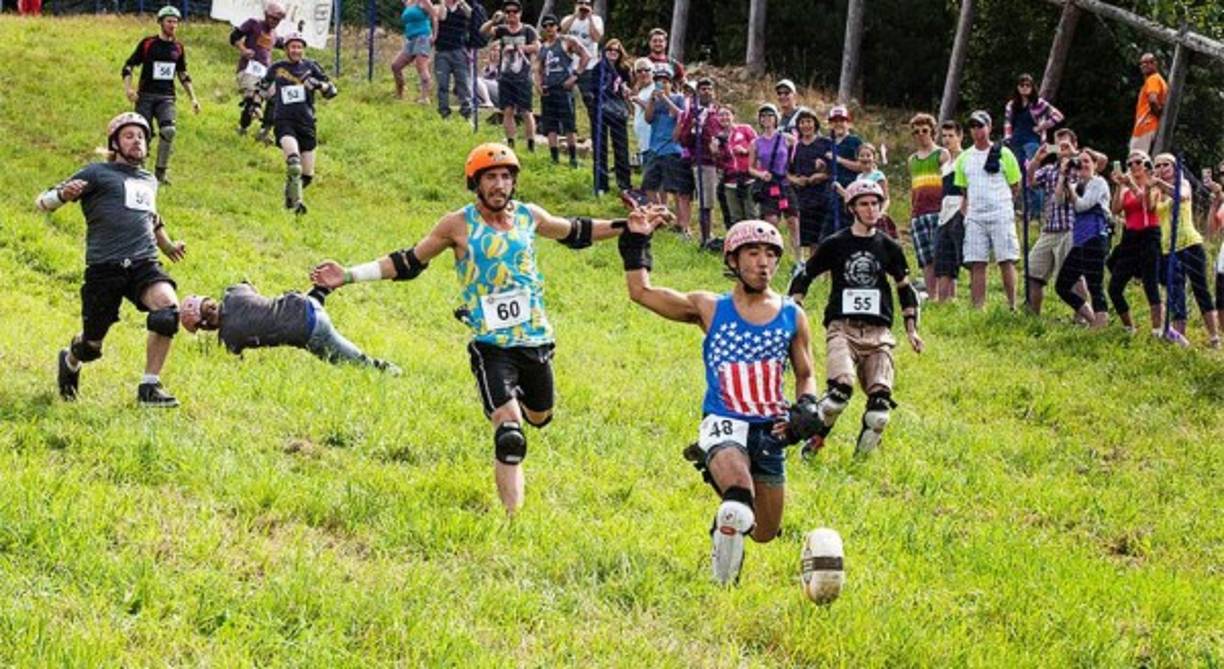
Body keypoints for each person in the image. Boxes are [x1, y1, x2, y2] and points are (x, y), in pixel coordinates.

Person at [309, 143, 670, 515]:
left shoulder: (529, 216)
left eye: (505, 177)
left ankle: (531, 415)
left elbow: (576, 230)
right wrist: (348, 275)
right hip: (491, 345)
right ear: (476, 184)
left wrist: (627, 225)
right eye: (491, 178)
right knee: (510, 432)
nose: (499, 185)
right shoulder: (458, 224)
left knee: (539, 417)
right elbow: (407, 261)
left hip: (536, 339)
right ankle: (513, 521)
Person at [620, 219, 817, 585]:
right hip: (724, 422)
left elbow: (805, 372)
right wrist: (636, 241)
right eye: (754, 253)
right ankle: (722, 582)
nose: (764, 263)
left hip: (771, 429)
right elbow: (641, 292)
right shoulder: (709, 307)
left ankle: (720, 482)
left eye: (771, 255)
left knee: (764, 531)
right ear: (733, 259)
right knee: (738, 499)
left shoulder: (793, 314)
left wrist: (807, 407)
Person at [36, 113, 187, 408]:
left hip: (143, 263)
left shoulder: (149, 180)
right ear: (115, 143)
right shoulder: (97, 173)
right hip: (105, 268)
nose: (137, 141)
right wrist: (64, 195)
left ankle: (149, 388)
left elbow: (150, 218)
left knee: (168, 311)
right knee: (91, 346)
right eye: (129, 136)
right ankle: (71, 360)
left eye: (141, 136)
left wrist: (167, 246)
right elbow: (42, 202)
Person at [787, 180, 924, 457]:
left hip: (879, 331)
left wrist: (911, 329)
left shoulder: (889, 246)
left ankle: (860, 463)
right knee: (839, 394)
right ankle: (813, 442)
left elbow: (904, 287)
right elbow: (805, 275)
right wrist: (792, 310)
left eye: (875, 203)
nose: (871, 209)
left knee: (880, 410)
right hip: (843, 327)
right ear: (852, 208)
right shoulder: (836, 244)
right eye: (864, 204)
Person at [179, 283, 403, 371]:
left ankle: (384, 370)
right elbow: (248, 286)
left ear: (205, 324)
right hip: (304, 303)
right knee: (289, 306)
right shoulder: (233, 293)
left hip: (310, 330)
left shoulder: (228, 337)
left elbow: (234, 365)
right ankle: (320, 291)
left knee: (349, 363)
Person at [255, 32, 338, 215]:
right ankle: (298, 204)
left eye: (299, 47)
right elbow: (262, 87)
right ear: (286, 49)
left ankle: (290, 195)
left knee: (307, 175)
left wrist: (319, 85)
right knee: (294, 163)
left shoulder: (311, 66)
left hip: (307, 122)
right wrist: (254, 104)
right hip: (284, 121)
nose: (296, 50)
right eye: (292, 47)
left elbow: (332, 91)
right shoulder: (277, 67)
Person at [122, 5, 201, 185]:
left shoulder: (178, 48)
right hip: (146, 95)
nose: (173, 25)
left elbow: (183, 74)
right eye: (169, 21)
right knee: (142, 133)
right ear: (160, 23)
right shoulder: (148, 43)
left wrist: (193, 98)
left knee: (168, 130)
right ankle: (137, 169)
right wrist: (129, 88)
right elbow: (129, 65)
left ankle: (160, 173)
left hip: (166, 97)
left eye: (175, 22)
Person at [955, 110, 1022, 310]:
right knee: (977, 261)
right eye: (973, 127)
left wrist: (1004, 203)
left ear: (989, 127)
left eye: (981, 126)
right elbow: (963, 187)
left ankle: (1012, 305)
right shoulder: (964, 158)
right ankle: (978, 308)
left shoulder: (1004, 153)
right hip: (976, 214)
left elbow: (1015, 184)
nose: (977, 131)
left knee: (1006, 259)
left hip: (1000, 213)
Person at [1151, 153, 1219, 346]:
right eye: (1158, 165)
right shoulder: (1156, 192)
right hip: (1167, 248)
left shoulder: (1183, 183)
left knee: (1201, 290)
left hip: (1190, 244)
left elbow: (1182, 196)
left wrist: (1160, 184)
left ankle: (1214, 337)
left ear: (1174, 167)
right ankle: (1180, 339)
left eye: (1166, 165)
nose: (1162, 168)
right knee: (1175, 293)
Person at [1107, 150, 1164, 335]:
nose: (1133, 166)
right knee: (1114, 287)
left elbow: (1148, 205)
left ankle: (1157, 329)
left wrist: (1131, 184)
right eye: (1129, 163)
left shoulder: (1152, 184)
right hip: (1130, 235)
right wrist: (1118, 187)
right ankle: (1129, 326)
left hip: (1149, 234)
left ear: (1146, 165)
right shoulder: (1125, 187)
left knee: (1151, 284)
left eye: (1137, 162)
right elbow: (1115, 210)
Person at [1053, 148, 1111, 327]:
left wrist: (1070, 188)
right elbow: (1059, 200)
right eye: (1080, 162)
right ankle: (1092, 319)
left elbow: (1082, 206)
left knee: (1095, 286)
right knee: (1062, 285)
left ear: (1095, 165)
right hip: (1080, 240)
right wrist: (1063, 176)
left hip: (1095, 237)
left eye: (1087, 161)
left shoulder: (1099, 183)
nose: (1083, 165)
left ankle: (1101, 327)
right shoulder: (1076, 184)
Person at [1024, 128, 1080, 314]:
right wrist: (1037, 159)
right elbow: (1030, 181)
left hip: (1071, 228)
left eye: (1065, 143)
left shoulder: (1081, 165)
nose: (1062, 148)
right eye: (1058, 144)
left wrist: (1073, 154)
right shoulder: (1049, 170)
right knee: (1033, 272)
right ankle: (1033, 315)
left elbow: (1101, 163)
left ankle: (1082, 317)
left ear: (1074, 144)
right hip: (1049, 228)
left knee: (1073, 276)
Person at [1003, 72, 1064, 217]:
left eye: (1027, 85)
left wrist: (1042, 127)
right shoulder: (1012, 105)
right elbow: (1007, 124)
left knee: (1033, 176)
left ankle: (1037, 212)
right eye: (1021, 85)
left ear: (1032, 87)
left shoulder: (1039, 103)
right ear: (1017, 87)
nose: (1024, 88)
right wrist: (1007, 140)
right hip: (1016, 143)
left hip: (1032, 142)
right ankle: (1024, 211)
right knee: (1018, 177)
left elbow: (1058, 116)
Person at [642, 65, 693, 238]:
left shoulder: (678, 98)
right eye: (658, 81)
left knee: (677, 190)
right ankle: (660, 216)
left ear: (670, 83)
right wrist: (651, 101)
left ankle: (682, 225)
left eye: (664, 81)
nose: (661, 84)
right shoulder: (654, 100)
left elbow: (680, 115)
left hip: (672, 149)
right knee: (649, 186)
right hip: (654, 149)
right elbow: (648, 119)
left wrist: (665, 99)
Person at [481, 1, 539, 151]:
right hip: (505, 77)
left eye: (514, 12)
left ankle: (531, 144)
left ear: (519, 13)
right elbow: (483, 31)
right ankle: (511, 143)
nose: (511, 15)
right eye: (508, 12)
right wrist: (493, 21)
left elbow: (537, 47)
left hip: (523, 76)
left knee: (526, 111)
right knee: (507, 111)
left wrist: (520, 48)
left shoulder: (527, 30)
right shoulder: (502, 29)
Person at [535, 14, 589, 168]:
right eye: (545, 26)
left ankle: (573, 158)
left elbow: (586, 55)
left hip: (564, 88)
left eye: (551, 25)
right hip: (548, 89)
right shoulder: (543, 47)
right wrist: (538, 85)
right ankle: (554, 158)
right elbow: (537, 68)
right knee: (550, 125)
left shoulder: (566, 41)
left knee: (569, 124)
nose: (549, 28)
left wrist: (575, 76)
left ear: (557, 26)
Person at [678, 77, 724, 249]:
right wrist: (692, 129)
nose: (706, 91)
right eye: (702, 88)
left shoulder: (719, 112)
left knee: (712, 200)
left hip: (719, 161)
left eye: (709, 88)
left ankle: (711, 235)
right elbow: (683, 139)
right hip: (701, 161)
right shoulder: (693, 113)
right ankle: (705, 238)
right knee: (705, 201)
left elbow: (727, 131)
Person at [906, 113, 949, 296]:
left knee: (940, 253)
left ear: (932, 131)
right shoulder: (912, 160)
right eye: (916, 132)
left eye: (924, 130)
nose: (921, 135)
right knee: (925, 257)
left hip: (938, 210)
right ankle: (932, 295)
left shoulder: (941, 154)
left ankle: (943, 294)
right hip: (918, 212)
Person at [749, 104, 799, 262]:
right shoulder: (755, 143)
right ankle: (773, 256)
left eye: (770, 116)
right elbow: (750, 168)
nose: (767, 119)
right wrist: (760, 173)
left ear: (776, 119)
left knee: (793, 220)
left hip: (785, 183)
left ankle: (799, 259)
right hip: (769, 184)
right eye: (763, 116)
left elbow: (797, 154)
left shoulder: (787, 139)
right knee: (771, 222)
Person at [230, 2, 285, 139]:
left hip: (265, 73)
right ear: (266, 15)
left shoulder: (274, 34)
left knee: (274, 99)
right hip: (248, 69)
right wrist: (243, 50)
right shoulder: (253, 23)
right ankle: (243, 127)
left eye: (277, 20)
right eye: (272, 18)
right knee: (252, 99)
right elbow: (234, 37)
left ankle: (264, 131)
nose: (274, 22)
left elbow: (284, 44)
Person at [590, 38, 633, 195]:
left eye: (616, 50)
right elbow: (592, 89)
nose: (613, 53)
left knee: (621, 147)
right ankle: (601, 184)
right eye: (610, 50)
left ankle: (624, 184)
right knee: (600, 148)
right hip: (600, 111)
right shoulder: (598, 68)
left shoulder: (624, 70)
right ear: (605, 52)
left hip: (618, 111)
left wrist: (626, 91)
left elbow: (629, 89)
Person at [787, 107, 829, 262]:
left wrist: (821, 175)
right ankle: (803, 264)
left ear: (815, 124)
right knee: (805, 234)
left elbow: (832, 169)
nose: (806, 125)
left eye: (809, 122)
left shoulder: (825, 143)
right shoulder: (795, 147)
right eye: (803, 122)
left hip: (821, 195)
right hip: (801, 196)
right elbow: (786, 172)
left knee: (819, 236)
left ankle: (816, 265)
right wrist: (796, 180)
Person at [561, 0, 604, 146]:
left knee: (590, 103)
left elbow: (597, 37)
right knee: (567, 102)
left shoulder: (596, 20)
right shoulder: (568, 19)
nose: (583, 6)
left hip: (589, 67)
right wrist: (575, 15)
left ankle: (596, 138)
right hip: (568, 65)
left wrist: (590, 17)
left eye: (587, 3)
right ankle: (568, 135)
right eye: (580, 2)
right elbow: (562, 32)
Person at [933, 120, 966, 302]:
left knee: (961, 256)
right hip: (944, 213)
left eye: (951, 136)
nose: (947, 140)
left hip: (960, 209)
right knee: (942, 259)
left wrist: (963, 211)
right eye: (944, 136)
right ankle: (944, 301)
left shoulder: (966, 158)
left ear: (960, 136)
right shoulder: (945, 164)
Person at [821, 105, 863, 239]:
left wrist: (838, 159)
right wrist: (821, 166)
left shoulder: (854, 141)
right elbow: (827, 170)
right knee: (827, 234)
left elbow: (861, 166)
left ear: (848, 123)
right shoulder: (828, 142)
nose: (838, 124)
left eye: (842, 120)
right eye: (834, 121)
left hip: (849, 191)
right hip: (831, 193)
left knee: (848, 230)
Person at [714, 106, 758, 230]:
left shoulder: (745, 129)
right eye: (721, 115)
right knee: (735, 217)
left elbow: (759, 146)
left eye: (727, 114)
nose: (724, 117)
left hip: (749, 178)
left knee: (752, 213)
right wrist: (715, 152)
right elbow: (718, 163)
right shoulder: (718, 137)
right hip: (730, 181)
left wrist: (746, 150)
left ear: (733, 115)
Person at [433, 0, 474, 120]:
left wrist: (462, 3)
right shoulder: (438, 7)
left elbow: (472, 16)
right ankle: (444, 114)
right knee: (443, 84)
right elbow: (442, 17)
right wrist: (443, 2)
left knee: (463, 83)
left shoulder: (463, 7)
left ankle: (467, 113)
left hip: (459, 51)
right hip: (442, 51)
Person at [391, 0, 436, 103]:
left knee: (421, 66)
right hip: (411, 39)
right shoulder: (408, 3)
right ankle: (400, 93)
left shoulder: (424, 1)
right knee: (395, 66)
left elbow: (434, 16)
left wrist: (434, 35)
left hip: (423, 37)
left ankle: (425, 98)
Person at [1130, 53, 1168, 155]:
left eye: (1148, 62)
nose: (1144, 66)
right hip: (1151, 127)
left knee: (1136, 161)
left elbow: (1152, 100)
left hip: (1144, 126)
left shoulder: (1153, 79)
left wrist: (1158, 113)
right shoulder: (1160, 80)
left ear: (1155, 64)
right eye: (1142, 63)